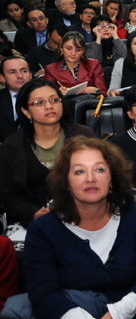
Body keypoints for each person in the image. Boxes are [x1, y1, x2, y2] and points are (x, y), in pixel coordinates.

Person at [17, 136, 136, 319]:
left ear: (112, 177)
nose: (91, 179)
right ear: (66, 182)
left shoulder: (135, 218)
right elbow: (44, 295)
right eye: (79, 171)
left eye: (99, 169)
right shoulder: (43, 230)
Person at [0, 79, 94, 227]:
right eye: (39, 103)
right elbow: (9, 195)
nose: (49, 106)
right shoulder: (11, 147)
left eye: (54, 100)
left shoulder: (84, 136)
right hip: (35, 222)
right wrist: (33, 213)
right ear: (26, 111)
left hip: (84, 216)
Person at [44, 31, 107, 97]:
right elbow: (47, 96)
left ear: (83, 51)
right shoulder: (51, 69)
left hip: (90, 104)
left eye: (78, 50)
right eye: (69, 49)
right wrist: (57, 92)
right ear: (61, 49)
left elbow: (104, 93)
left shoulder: (93, 64)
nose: (73, 53)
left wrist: (96, 90)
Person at [0, 55, 31, 142]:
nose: (20, 76)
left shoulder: (45, 97)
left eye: (24, 71)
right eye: (12, 72)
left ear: (31, 75)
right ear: (2, 78)